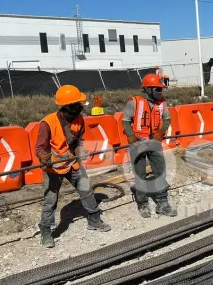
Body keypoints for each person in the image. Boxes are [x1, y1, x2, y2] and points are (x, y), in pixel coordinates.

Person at [35, 85, 110, 249]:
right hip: (53, 166)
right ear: (68, 106)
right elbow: (40, 148)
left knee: (86, 189)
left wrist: (80, 153)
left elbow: (77, 141)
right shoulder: (47, 123)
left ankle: (94, 220)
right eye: (78, 104)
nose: (81, 106)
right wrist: (45, 158)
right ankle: (46, 230)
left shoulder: (79, 120)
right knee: (50, 199)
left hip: (72, 161)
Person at [121, 74, 177, 218]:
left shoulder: (161, 103)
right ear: (147, 89)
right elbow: (126, 120)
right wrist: (130, 135)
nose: (160, 92)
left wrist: (161, 131)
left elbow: (167, 119)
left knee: (160, 171)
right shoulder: (134, 102)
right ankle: (143, 203)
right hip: (138, 143)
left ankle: (162, 203)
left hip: (154, 142)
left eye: (161, 89)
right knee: (140, 175)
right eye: (157, 89)